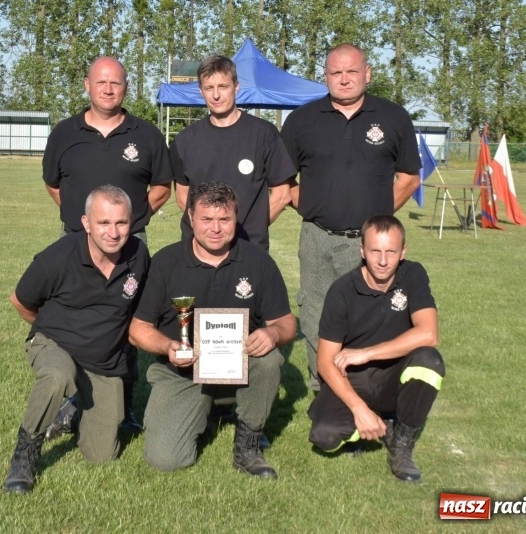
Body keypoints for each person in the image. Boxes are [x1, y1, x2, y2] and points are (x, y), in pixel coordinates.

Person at [129, 182, 296, 478]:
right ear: (190, 217)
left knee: (269, 361)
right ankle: (206, 408)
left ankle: (248, 442)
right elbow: (138, 329)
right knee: (165, 459)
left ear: (236, 219)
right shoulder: (166, 262)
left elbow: (286, 323)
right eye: (206, 219)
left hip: (241, 366)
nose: (215, 228)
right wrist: (168, 347)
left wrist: (272, 334)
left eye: (225, 219)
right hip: (183, 372)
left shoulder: (258, 262)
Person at [41, 56, 173, 433]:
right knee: (76, 320)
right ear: (87, 85)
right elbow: (54, 185)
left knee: (126, 321)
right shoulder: (64, 134)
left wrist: (128, 224)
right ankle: (70, 401)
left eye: (116, 83)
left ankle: (125, 404)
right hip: (75, 246)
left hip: (129, 247)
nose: (108, 88)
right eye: (101, 82)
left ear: (126, 87)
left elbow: (163, 187)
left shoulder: (146, 134)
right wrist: (86, 227)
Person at [280, 43, 422, 392]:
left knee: (369, 317)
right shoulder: (302, 120)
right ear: (325, 77)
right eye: (335, 73)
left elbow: (409, 177)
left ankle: (367, 388)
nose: (344, 80)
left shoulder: (393, 117)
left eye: (352, 72)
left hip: (368, 243)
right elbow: (283, 179)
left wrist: (377, 222)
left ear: (367, 74)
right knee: (314, 314)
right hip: (317, 238)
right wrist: (312, 207)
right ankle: (323, 391)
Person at [2, 186, 150, 494]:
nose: (113, 232)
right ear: (86, 223)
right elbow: (20, 300)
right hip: (54, 345)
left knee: (102, 456)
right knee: (58, 374)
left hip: (104, 363)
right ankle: (25, 454)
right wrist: (51, 330)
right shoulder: (57, 257)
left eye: (121, 223)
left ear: (132, 222)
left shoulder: (139, 255)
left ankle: (71, 410)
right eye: (103, 223)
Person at [308, 215, 445, 483]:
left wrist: (367, 352)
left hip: (393, 375)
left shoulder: (413, 274)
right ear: (362, 251)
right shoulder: (342, 291)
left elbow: (429, 334)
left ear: (403, 252)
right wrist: (359, 408)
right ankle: (374, 423)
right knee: (324, 436)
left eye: (391, 251)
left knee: (429, 360)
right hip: (354, 379)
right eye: (375, 251)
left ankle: (401, 445)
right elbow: (325, 361)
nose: (383, 261)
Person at [171, 55, 296, 251]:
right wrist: (211, 233)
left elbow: (282, 194)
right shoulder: (185, 140)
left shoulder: (263, 134)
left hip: (249, 248)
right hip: (198, 250)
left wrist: (251, 228)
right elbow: (182, 197)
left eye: (223, 86)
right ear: (200, 91)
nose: (216, 95)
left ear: (236, 87)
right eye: (209, 88)